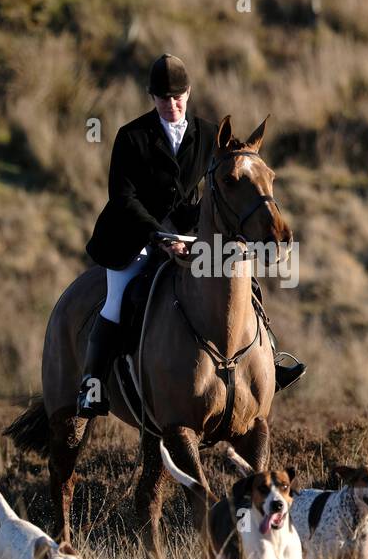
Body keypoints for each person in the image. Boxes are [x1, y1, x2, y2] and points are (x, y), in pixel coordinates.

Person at [76, 53, 305, 417]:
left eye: (178, 96)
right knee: (117, 302)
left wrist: (203, 230)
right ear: (151, 97)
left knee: (248, 287)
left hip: (190, 236)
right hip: (134, 237)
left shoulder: (208, 134)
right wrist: (158, 235)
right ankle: (93, 387)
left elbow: (222, 183)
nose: (172, 104)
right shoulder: (131, 137)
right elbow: (123, 197)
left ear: (189, 93)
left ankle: (271, 363)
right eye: (164, 98)